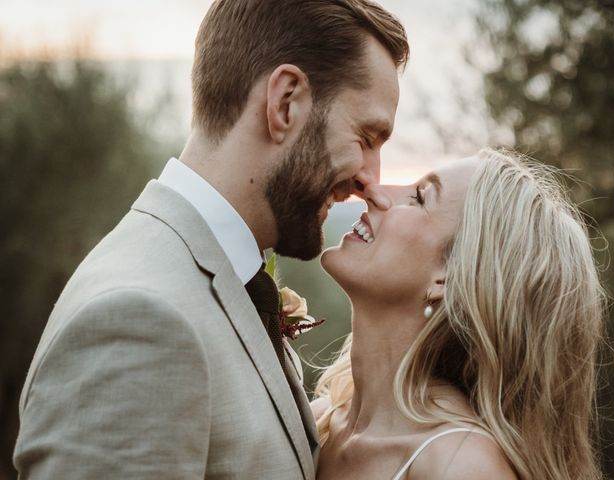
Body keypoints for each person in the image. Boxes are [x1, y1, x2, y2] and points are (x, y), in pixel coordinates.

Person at [13, 1, 408, 478]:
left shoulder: (213, 278)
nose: (372, 179)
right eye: (366, 137)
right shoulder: (141, 320)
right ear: (285, 102)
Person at [314, 148, 606, 480]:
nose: (373, 190)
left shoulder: (460, 466)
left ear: (448, 278)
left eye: (420, 198)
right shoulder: (320, 421)